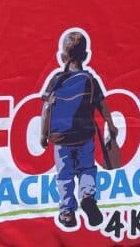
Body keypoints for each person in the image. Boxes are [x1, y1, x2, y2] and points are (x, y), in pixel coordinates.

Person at [40, 30, 116, 230]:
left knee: (64, 175)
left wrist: (43, 135)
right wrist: (111, 125)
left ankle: (67, 212)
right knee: (86, 169)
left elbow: (46, 108)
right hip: (84, 136)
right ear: (86, 55)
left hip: (61, 138)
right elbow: (102, 106)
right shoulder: (90, 80)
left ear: (63, 56)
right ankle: (88, 196)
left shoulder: (56, 80)